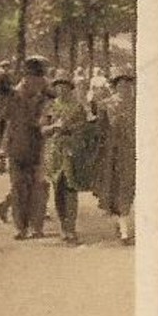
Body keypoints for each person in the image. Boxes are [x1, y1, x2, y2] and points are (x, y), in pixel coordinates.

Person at [0, 56, 53, 240]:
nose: (39, 82)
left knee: (39, 187)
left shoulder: (46, 97)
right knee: (18, 187)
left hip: (39, 147)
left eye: (40, 79)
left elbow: (50, 116)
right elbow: (5, 119)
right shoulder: (13, 96)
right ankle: (21, 227)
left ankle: (36, 227)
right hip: (17, 147)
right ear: (27, 78)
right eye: (35, 78)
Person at [43, 77, 99, 244]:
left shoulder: (77, 107)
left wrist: (71, 130)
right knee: (58, 190)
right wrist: (53, 127)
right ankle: (63, 227)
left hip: (71, 151)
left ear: (70, 88)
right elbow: (42, 129)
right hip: (54, 152)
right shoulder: (50, 107)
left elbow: (85, 130)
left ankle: (71, 228)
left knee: (71, 189)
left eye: (65, 87)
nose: (62, 90)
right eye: (58, 87)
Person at [93, 73, 136, 245]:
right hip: (115, 153)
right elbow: (100, 131)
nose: (125, 87)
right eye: (122, 84)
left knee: (130, 189)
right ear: (115, 86)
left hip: (135, 151)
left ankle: (123, 225)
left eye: (128, 84)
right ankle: (124, 230)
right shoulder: (106, 105)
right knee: (119, 189)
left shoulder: (138, 104)